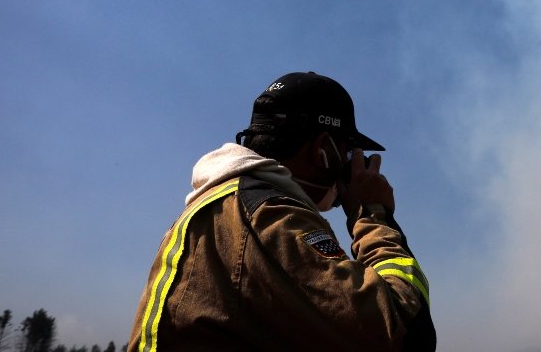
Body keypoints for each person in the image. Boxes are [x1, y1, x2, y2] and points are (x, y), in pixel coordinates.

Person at [128, 71, 435, 351]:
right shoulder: (268, 215)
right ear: (323, 150)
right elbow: (405, 332)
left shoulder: (224, 204)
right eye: (347, 153)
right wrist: (372, 213)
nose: (350, 165)